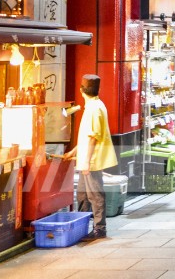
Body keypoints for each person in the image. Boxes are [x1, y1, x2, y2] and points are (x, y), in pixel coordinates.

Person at [63, 74, 117, 241]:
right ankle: (82, 227)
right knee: (82, 195)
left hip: (91, 160)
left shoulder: (94, 109)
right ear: (98, 90)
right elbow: (88, 136)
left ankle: (100, 228)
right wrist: (74, 152)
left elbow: (93, 137)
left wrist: (86, 161)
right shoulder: (94, 106)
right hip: (85, 158)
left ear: (81, 90)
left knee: (94, 194)